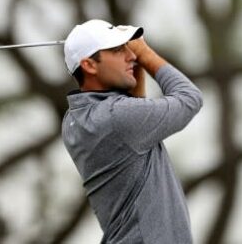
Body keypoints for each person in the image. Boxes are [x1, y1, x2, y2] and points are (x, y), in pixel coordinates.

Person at [61, 19, 203, 244]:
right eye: (118, 50)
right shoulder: (117, 116)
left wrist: (131, 67)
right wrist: (145, 53)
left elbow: (135, 116)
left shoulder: (74, 119)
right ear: (89, 65)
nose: (132, 56)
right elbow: (190, 99)